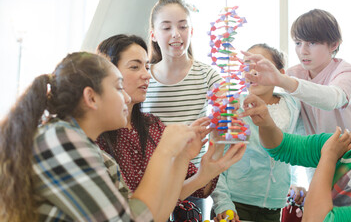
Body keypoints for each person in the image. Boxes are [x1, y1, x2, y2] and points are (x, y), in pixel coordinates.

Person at [0, 52, 227, 222]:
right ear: (91, 97)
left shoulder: (95, 154)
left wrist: (182, 157)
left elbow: (152, 216)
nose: (126, 99)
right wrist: (165, 151)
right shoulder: (59, 138)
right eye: (119, 88)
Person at [95, 34, 247, 215]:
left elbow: (190, 191)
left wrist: (214, 151)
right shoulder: (95, 136)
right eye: (135, 67)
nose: (146, 75)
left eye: (146, 66)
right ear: (108, 73)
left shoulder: (154, 126)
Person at [243, 9, 351, 182]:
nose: (303, 51)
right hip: (319, 163)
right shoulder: (293, 74)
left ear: (334, 44)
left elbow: (333, 99)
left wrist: (283, 80)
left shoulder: (348, 73)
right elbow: (296, 128)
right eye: (298, 43)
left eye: (312, 43)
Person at [142, 0, 224, 214]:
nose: (176, 34)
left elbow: (225, 125)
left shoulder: (209, 76)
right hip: (148, 181)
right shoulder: (143, 78)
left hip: (193, 185)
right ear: (153, 34)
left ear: (191, 31)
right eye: (166, 27)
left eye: (182, 26)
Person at [211, 44, 306, 222]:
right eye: (247, 66)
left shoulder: (294, 106)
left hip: (275, 206)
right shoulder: (229, 107)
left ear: (280, 73)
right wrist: (223, 204)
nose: (252, 73)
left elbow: (293, 153)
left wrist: (293, 183)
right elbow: (214, 162)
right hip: (235, 206)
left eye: (260, 66)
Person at [240, 93, 351, 222]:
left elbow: (316, 219)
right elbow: (282, 147)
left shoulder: (336, 150)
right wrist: (266, 123)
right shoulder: (349, 146)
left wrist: (329, 156)